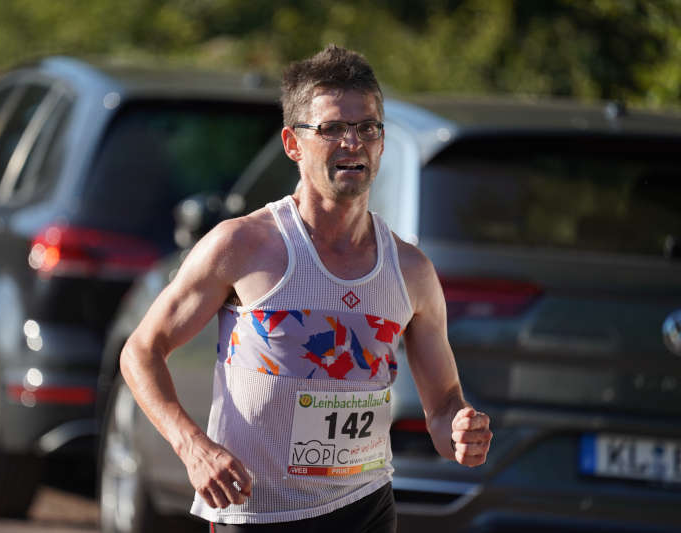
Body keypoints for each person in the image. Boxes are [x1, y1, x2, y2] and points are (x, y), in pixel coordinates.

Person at [120, 44, 493, 532]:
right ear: (293, 144)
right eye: (332, 128)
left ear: (382, 142)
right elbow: (141, 351)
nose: (352, 142)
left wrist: (462, 430)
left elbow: (443, 406)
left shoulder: (410, 269)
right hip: (256, 511)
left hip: (364, 507)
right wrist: (194, 446)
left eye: (367, 128)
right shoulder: (245, 245)